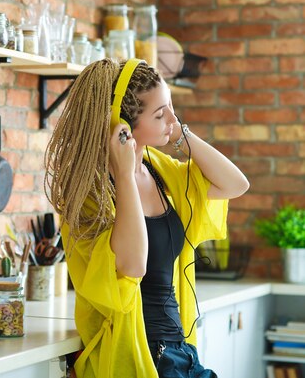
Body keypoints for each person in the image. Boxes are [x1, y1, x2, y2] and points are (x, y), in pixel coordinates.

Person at [44, 58, 249, 378]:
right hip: (140, 354)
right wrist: (124, 175)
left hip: (181, 350)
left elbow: (235, 184)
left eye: (171, 106)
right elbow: (132, 265)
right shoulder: (91, 193)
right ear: (122, 124)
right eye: (159, 113)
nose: (172, 118)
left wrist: (181, 134)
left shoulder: (159, 168)